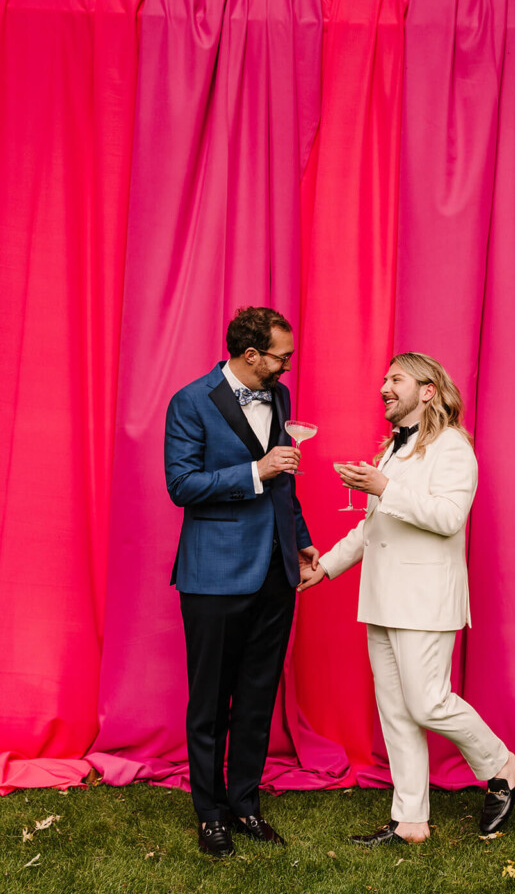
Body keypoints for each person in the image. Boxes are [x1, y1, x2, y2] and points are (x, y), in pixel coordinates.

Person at [299, 352, 515, 845]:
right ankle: (411, 821)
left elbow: (448, 518)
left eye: (396, 379)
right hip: (381, 597)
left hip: (426, 598)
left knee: (427, 704)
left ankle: (500, 763)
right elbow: (373, 528)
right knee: (396, 712)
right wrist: (326, 566)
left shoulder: (453, 447)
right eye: (384, 378)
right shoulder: (392, 451)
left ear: (427, 390)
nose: (384, 386)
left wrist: (385, 486)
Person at [165, 306, 317, 857]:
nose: (287, 367)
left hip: (275, 571)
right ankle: (210, 815)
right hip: (214, 574)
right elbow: (181, 485)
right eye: (281, 357)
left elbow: (285, 482)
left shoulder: (279, 397)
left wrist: (299, 539)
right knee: (210, 702)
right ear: (251, 355)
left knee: (257, 696)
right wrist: (256, 471)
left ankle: (246, 803)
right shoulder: (190, 401)